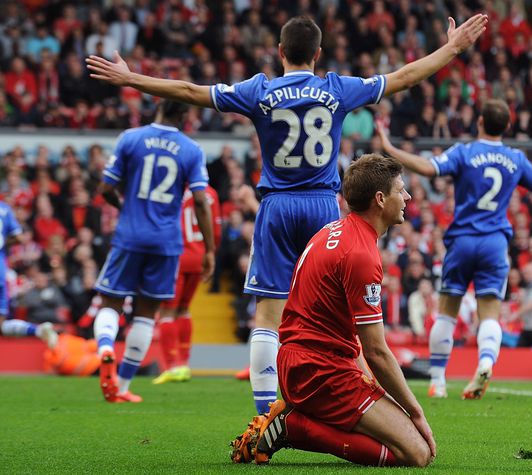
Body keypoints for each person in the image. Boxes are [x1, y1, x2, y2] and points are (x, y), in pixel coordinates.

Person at [87, 13, 489, 414]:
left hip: (277, 206)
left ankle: (264, 415)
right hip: (322, 207)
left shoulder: (258, 91)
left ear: (279, 52)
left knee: (268, 313)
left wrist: (131, 78)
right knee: (336, 312)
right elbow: (403, 77)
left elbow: (189, 90)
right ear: (318, 54)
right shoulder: (336, 89)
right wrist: (452, 48)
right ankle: (344, 397)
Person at [376, 98, 532, 399]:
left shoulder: (465, 152)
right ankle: (486, 362)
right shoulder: (515, 158)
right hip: (494, 243)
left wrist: (391, 147)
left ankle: (437, 380)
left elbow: (427, 168)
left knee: (447, 313)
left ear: (479, 122)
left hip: (462, 240)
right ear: (507, 126)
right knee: (490, 313)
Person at [230, 154, 434, 467]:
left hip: (308, 363)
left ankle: (298, 418)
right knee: (418, 453)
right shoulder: (361, 254)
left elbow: (350, 340)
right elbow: (376, 350)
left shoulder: (331, 232)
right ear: (380, 199)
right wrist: (416, 411)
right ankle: (293, 427)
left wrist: (380, 395)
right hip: (320, 373)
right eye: (400, 191)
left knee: (395, 431)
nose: (407, 197)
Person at [92, 100, 215, 403]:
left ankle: (106, 348)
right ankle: (121, 388)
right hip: (166, 242)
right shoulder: (191, 149)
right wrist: (210, 248)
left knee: (111, 303)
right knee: (147, 315)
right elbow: (200, 200)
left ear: (157, 109)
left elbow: (105, 189)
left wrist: (126, 209)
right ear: (185, 116)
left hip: (129, 236)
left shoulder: (130, 138)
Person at [152, 185, 221, 384]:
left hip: (176, 256)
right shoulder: (210, 193)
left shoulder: (172, 189)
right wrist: (210, 253)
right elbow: (216, 230)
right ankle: (184, 364)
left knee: (167, 311)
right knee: (183, 309)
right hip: (199, 256)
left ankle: (172, 365)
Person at [0, 200, 57, 348]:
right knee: (1, 324)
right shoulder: (4, 209)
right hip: (2, 273)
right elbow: (18, 237)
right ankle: (38, 330)